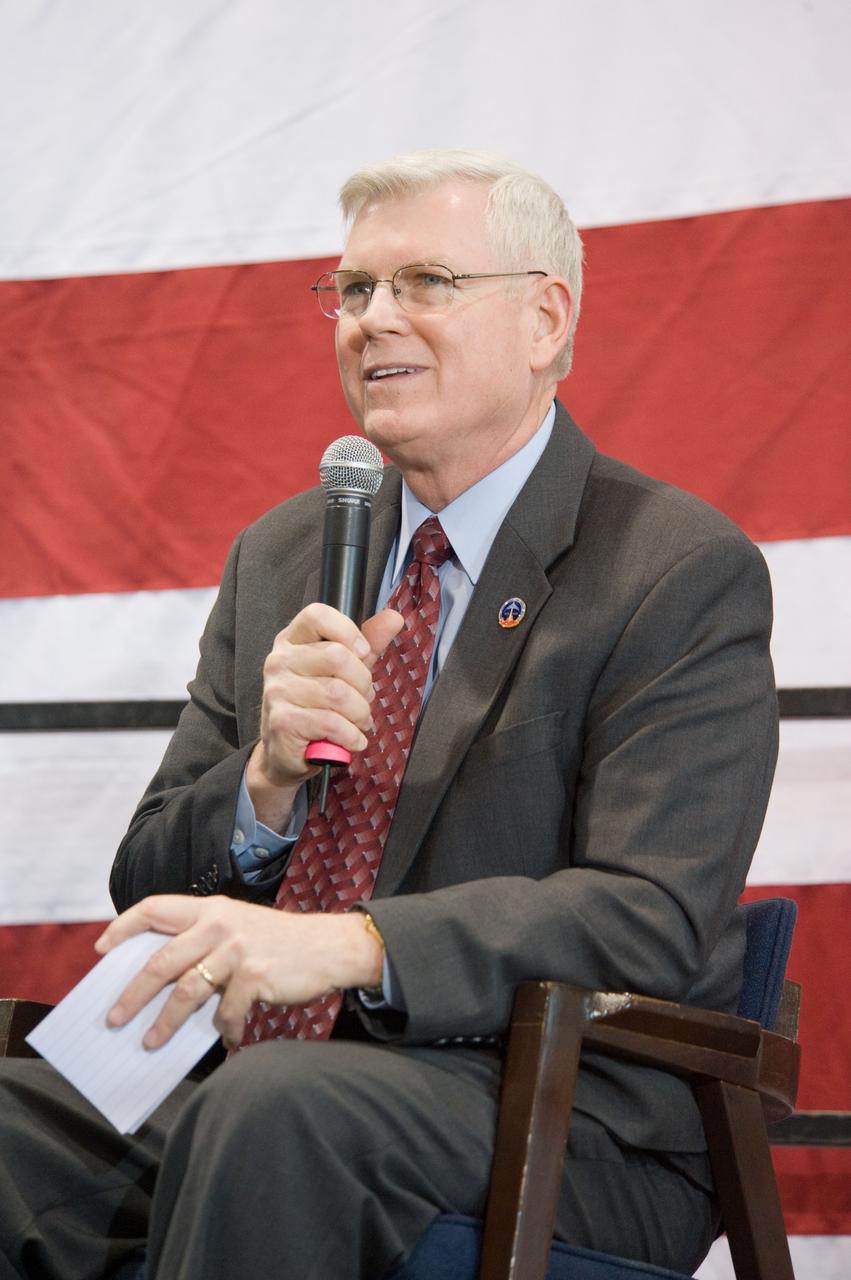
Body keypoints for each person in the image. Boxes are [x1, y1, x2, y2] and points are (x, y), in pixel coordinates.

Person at [0, 150, 778, 1280]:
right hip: (261, 1073)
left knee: (275, 1111)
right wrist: (263, 781)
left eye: (424, 281)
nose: (373, 319)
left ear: (542, 318)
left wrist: (348, 943)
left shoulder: (672, 568)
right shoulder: (286, 552)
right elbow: (148, 875)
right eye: (353, 289)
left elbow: (646, 914)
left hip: (554, 1101)